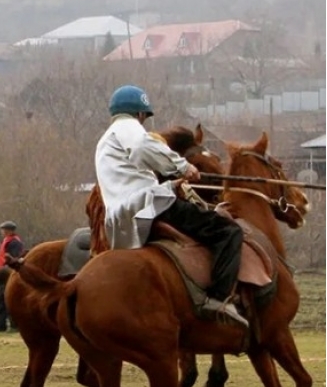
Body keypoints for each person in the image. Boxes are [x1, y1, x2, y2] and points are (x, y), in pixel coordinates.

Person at [95, 85, 247, 326]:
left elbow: (130, 176)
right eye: (144, 117)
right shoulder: (128, 128)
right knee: (228, 231)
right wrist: (183, 167)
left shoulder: (105, 140)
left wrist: (174, 183)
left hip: (120, 218)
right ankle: (218, 299)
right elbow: (144, 148)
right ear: (140, 114)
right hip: (148, 205)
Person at [0, 220, 23, 332]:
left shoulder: (14, 243)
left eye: (3, 230)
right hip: (2, 274)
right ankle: (1, 325)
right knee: (2, 300)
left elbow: (13, 258)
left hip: (7, 274)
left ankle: (14, 325)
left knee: (7, 300)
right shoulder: (7, 241)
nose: (2, 232)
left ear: (9, 231)